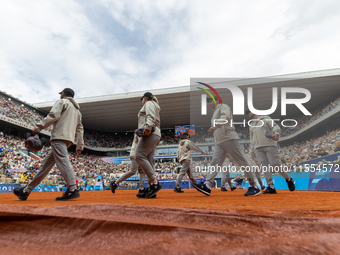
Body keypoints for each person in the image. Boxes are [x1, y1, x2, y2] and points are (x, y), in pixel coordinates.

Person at [13, 88, 84, 201]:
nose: (61, 95)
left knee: (64, 162)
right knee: (44, 167)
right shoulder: (78, 112)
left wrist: (38, 127)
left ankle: (72, 189)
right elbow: (80, 129)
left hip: (59, 137)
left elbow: (53, 115)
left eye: (61, 93)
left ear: (64, 94)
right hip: (67, 140)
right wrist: (80, 145)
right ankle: (26, 191)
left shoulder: (62, 102)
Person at [193, 97, 260, 196]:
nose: (209, 103)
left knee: (242, 161)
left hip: (230, 139)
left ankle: (254, 186)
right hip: (220, 143)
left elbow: (226, 117)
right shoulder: (214, 113)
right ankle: (207, 186)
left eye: (211, 101)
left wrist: (215, 126)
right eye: (208, 102)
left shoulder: (223, 107)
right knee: (215, 163)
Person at [246, 110, 295, 194]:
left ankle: (288, 179)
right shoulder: (251, 125)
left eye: (250, 112)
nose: (249, 114)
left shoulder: (265, 118)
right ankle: (271, 187)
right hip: (258, 148)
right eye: (247, 114)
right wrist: (253, 149)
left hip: (270, 145)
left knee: (275, 164)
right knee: (264, 167)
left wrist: (277, 133)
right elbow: (252, 138)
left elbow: (275, 126)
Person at [135, 92, 162, 198]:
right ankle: (151, 187)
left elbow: (150, 116)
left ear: (145, 98)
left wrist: (148, 126)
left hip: (150, 132)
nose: (142, 101)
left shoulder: (149, 103)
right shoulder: (155, 105)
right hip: (156, 134)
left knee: (139, 156)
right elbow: (158, 123)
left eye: (142, 99)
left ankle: (155, 183)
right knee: (149, 160)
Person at [110, 134, 151, 198]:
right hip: (135, 155)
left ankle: (141, 189)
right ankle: (115, 183)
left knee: (142, 171)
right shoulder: (139, 133)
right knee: (133, 171)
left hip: (140, 155)